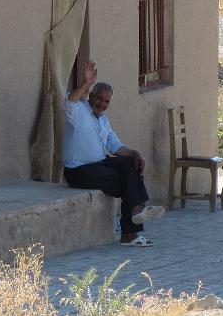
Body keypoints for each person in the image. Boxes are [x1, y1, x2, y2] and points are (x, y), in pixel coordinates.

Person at [61, 60, 164, 247]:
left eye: (106, 101)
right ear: (91, 96)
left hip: (99, 164)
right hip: (79, 170)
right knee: (128, 182)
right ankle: (131, 229)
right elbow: (69, 102)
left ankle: (135, 215)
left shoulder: (103, 120)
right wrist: (85, 83)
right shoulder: (78, 111)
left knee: (131, 164)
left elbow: (115, 146)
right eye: (99, 98)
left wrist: (135, 153)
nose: (102, 104)